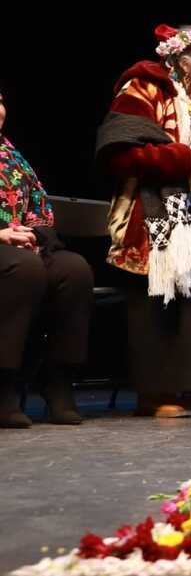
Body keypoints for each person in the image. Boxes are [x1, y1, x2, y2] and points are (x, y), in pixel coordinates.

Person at [96, 24, 191, 418]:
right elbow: (119, 153)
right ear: (185, 61)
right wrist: (184, 161)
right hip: (153, 215)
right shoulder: (145, 88)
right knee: (157, 300)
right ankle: (155, 393)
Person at [1, 87, 94, 427]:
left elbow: (39, 207)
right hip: (6, 250)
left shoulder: (11, 154)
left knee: (73, 270)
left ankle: (57, 377)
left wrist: (37, 237)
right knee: (23, 268)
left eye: (0, 101)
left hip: (19, 247)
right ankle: (3, 385)